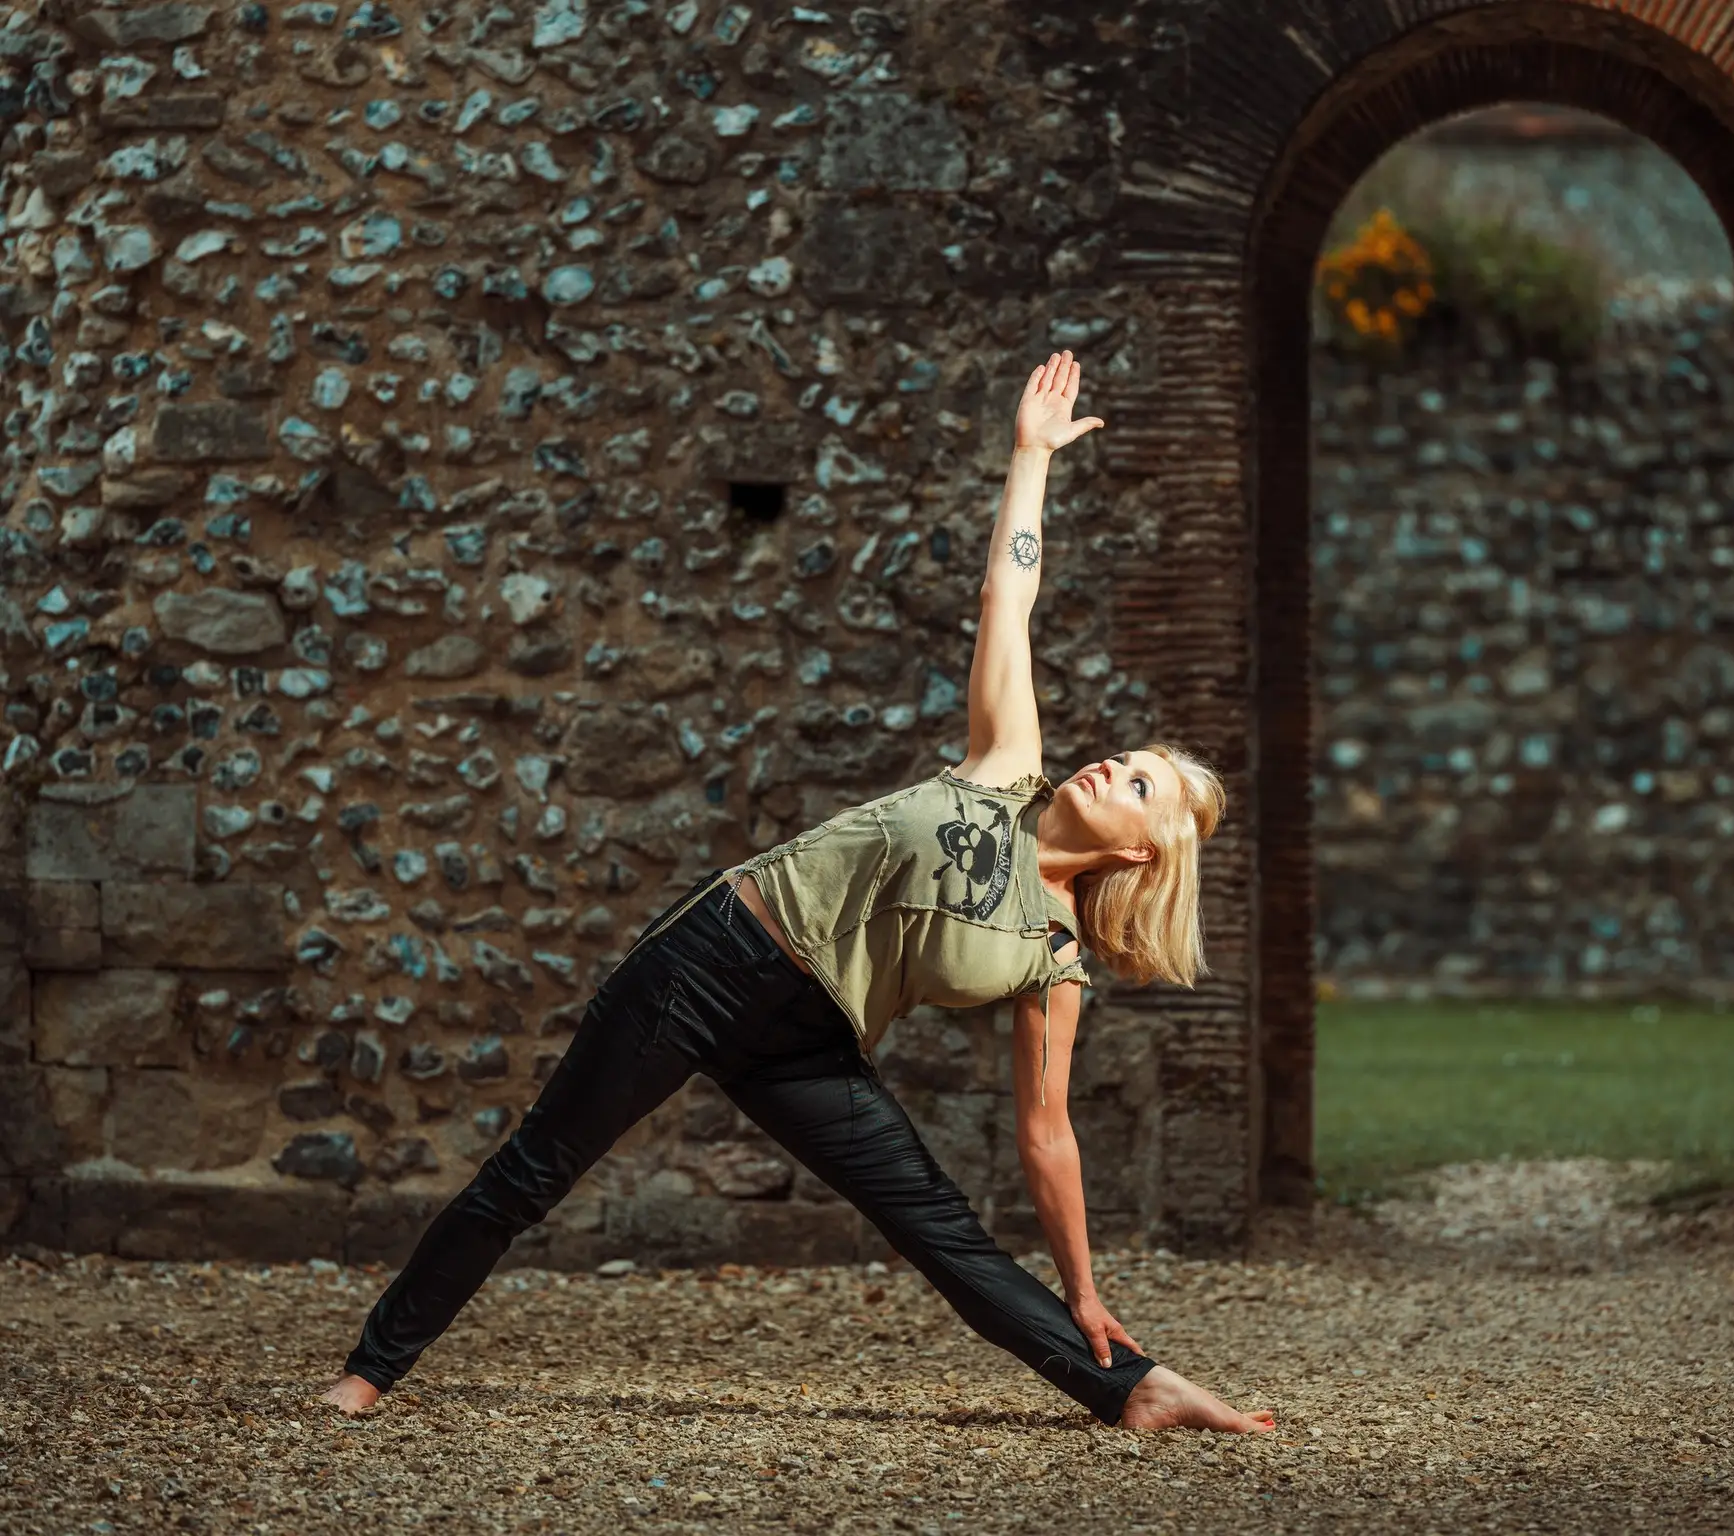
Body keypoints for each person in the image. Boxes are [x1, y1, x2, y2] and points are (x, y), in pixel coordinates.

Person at [317, 351, 1276, 1434]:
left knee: (940, 1230)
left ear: (1143, 856)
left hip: (809, 1043)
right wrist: (1028, 458)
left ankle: (1132, 1391)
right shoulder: (1008, 763)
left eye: (1139, 785)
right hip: (711, 956)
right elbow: (1010, 590)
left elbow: (1046, 1137)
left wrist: (1088, 1290)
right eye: (1126, 757)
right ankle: (367, 1373)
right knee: (532, 1174)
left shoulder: (1052, 960)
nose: (1112, 767)